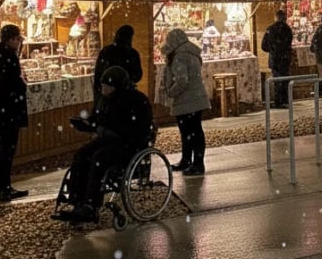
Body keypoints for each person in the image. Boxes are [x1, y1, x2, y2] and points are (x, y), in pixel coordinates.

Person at [55, 66, 154, 224]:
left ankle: (91, 205)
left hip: (129, 145)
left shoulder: (136, 101)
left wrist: (108, 130)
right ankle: (77, 201)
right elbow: (98, 120)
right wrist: (87, 124)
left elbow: (138, 130)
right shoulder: (106, 100)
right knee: (81, 155)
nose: (103, 89)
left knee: (99, 159)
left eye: (106, 86)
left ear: (115, 87)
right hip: (109, 140)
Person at [0, 24, 29, 202]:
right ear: (10, 39)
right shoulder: (7, 58)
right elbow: (10, 84)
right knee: (5, 151)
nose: (19, 42)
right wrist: (21, 86)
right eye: (17, 39)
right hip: (7, 113)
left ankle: (3, 187)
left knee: (2, 150)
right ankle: (2, 188)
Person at [162, 28, 209, 175]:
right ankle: (193, 161)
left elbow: (182, 80)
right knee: (195, 131)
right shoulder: (192, 53)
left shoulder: (179, 56)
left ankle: (193, 163)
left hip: (186, 101)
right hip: (196, 98)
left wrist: (171, 91)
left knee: (188, 132)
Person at [92, 24, 143, 102]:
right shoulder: (132, 53)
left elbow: (98, 75)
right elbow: (138, 74)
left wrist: (98, 96)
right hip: (126, 94)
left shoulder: (106, 51)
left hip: (109, 93)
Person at [261, 10, 294, 108]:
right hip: (285, 59)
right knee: (285, 79)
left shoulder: (270, 29)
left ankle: (278, 101)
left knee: (277, 80)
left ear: (276, 18)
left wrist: (273, 50)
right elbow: (289, 44)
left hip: (274, 59)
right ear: (284, 18)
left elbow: (263, 46)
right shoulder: (288, 29)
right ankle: (285, 100)